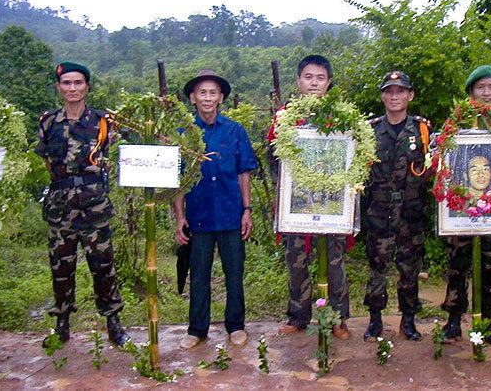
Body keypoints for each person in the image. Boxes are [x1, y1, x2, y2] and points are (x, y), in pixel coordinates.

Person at [35, 62, 129, 347]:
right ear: (59, 87)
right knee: (61, 268)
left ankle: (113, 322)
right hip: (60, 209)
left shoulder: (103, 121)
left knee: (103, 267)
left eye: (78, 83)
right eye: (66, 83)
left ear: (87, 86)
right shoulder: (48, 122)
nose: (72, 88)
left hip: (94, 208)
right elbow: (48, 162)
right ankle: (61, 324)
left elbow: (113, 158)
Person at [269, 55, 351, 340]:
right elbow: (273, 158)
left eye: (320, 78)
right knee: (296, 259)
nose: (314, 83)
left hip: (332, 203)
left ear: (328, 82)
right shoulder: (285, 117)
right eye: (308, 77)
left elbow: (352, 157)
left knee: (334, 261)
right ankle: (298, 316)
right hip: (297, 203)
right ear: (299, 81)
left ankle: (338, 319)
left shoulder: (342, 115)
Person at [173, 70, 257, 349]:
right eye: (202, 93)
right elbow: (179, 182)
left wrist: (247, 210)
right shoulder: (183, 134)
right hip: (198, 217)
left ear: (221, 98)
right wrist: (180, 218)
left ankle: (236, 326)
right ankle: (197, 329)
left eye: (213, 93)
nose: (207, 98)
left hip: (231, 214)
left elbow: (244, 172)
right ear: (192, 98)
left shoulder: (234, 131)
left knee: (234, 273)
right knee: (198, 275)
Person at [441, 65, 491, 346]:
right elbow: (444, 169)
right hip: (460, 212)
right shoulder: (456, 125)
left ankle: (486, 323)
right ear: (470, 92)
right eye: (480, 88)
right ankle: (453, 322)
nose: (486, 93)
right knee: (457, 267)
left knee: (489, 268)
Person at [362, 70, 432, 342]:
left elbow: (430, 168)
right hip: (379, 211)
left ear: (410, 95)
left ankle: (409, 320)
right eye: (389, 91)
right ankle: (375, 320)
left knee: (410, 268)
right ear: (382, 96)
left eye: (400, 91)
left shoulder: (422, 129)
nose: (394, 96)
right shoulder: (370, 129)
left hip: (411, 211)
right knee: (378, 267)